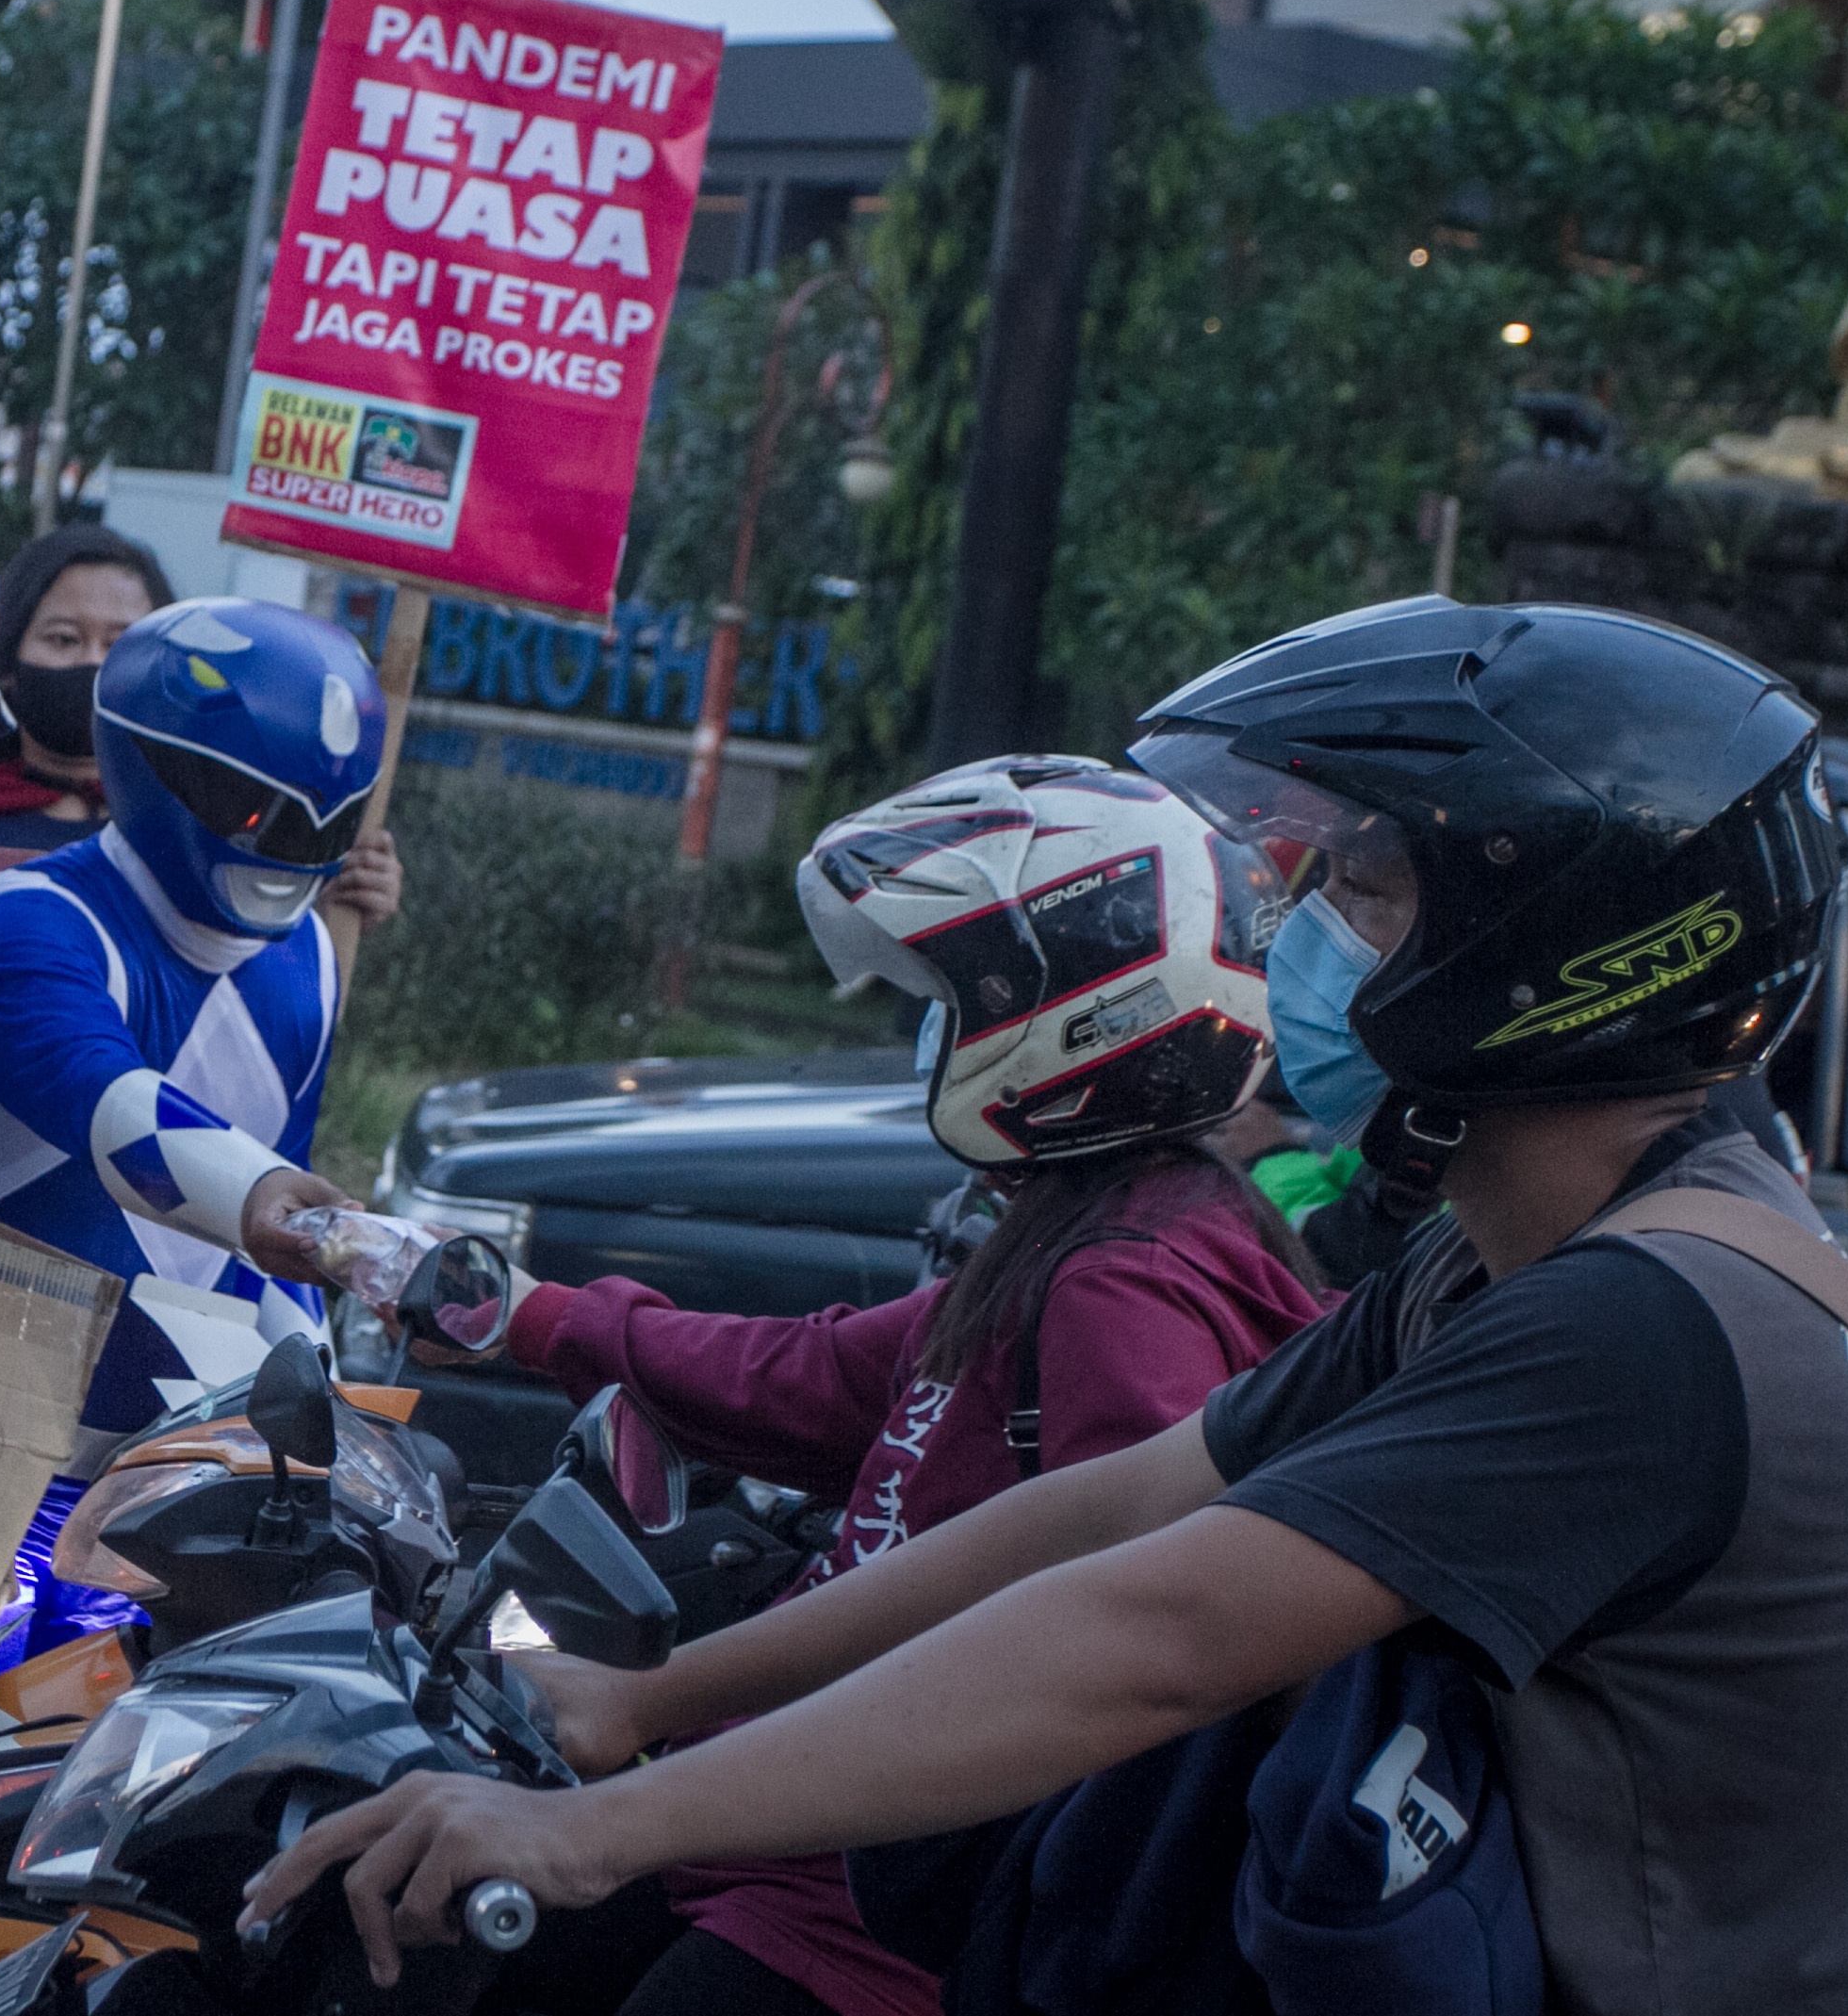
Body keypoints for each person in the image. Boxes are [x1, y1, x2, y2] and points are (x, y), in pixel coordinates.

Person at [248, 597, 1848, 2014]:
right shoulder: (1516, 1260)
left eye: (1366, 887)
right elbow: (1128, 1503)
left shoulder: (1643, 1327)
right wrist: (653, 1697)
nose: (1300, 934)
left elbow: (1147, 1637)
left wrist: (605, 1832)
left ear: (1546, 955)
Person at [482, 757, 1328, 2016]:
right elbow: (807, 1376)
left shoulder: (1120, 1281)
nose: (932, 1027)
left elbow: (1141, 1629)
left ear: (1078, 1016)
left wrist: (654, 1699)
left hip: (880, 1902)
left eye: (954, 995)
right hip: (781, 1830)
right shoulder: (1083, 1224)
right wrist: (520, 1311)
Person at [0, 598, 395, 1727]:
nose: (286, 849)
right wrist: (268, 1205)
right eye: (261, 810)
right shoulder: (26, 922)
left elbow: (269, 1253)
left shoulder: (304, 958)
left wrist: (330, 1424)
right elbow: (116, 1111)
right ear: (156, 769)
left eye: (321, 824)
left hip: (165, 1494)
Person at [0, 526, 403, 1151]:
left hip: (167, 1192)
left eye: (121, 641)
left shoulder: (208, 844)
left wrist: (315, 896)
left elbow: (251, 1034)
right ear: (9, 665)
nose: (95, 662)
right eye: (63, 639)